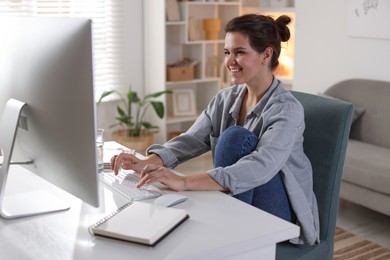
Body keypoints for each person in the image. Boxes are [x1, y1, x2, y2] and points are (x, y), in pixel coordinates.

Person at [110, 14, 319, 245]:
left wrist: (186, 182)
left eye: (239, 52)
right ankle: (225, 235)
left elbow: (262, 166)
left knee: (234, 138)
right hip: (241, 204)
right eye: (227, 52)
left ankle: (226, 239)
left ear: (266, 54)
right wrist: (149, 161)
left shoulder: (287, 109)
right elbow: (191, 138)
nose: (230, 61)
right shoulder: (225, 98)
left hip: (281, 213)